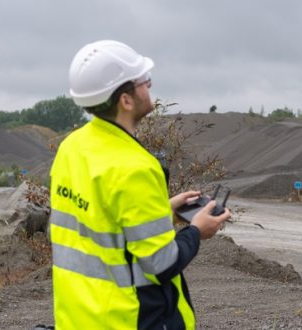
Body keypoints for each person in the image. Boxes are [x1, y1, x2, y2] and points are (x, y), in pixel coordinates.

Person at [49, 40, 231, 329]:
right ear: (126, 100)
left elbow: (97, 222)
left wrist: (161, 212)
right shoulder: (135, 168)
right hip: (128, 319)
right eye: (145, 82)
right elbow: (161, 263)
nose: (150, 87)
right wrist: (197, 231)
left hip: (78, 317)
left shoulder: (72, 148)